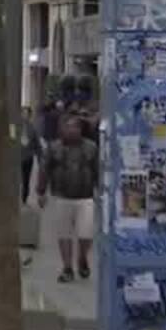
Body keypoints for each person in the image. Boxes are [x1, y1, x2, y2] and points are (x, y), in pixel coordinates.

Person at [37, 114, 100, 283]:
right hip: (61, 196)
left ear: (81, 130)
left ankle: (82, 258)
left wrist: (101, 192)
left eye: (75, 127)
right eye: (68, 127)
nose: (71, 130)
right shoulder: (53, 147)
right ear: (63, 129)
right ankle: (67, 267)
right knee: (64, 234)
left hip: (85, 196)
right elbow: (44, 169)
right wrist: (41, 192)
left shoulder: (91, 147)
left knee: (86, 233)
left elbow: (98, 171)